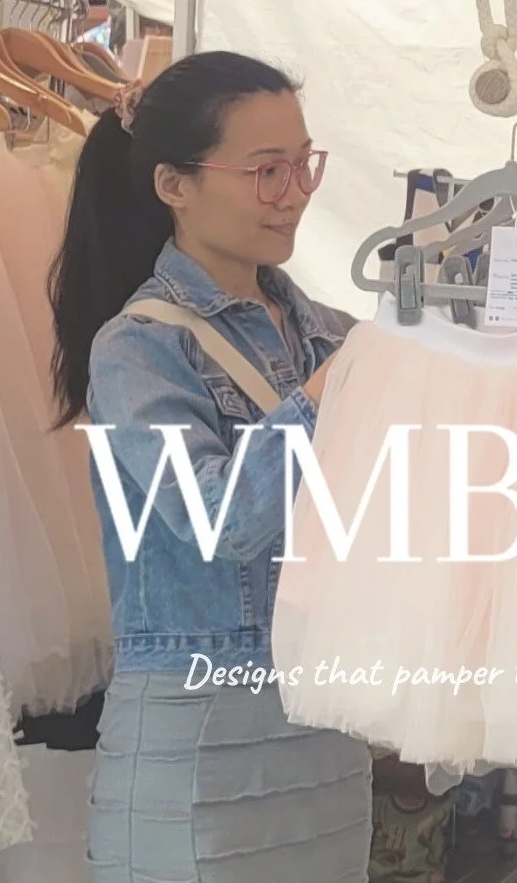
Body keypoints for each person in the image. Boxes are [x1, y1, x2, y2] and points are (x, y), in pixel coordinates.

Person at [49, 50, 370, 883]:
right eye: (267, 170)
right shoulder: (137, 348)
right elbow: (218, 520)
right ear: (173, 185)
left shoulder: (330, 332)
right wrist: (328, 393)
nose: (295, 190)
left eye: (303, 163)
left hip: (324, 738)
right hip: (198, 746)